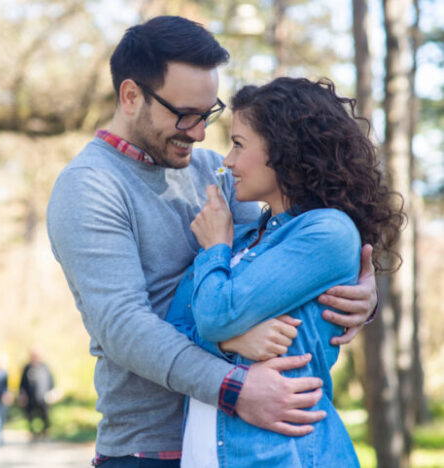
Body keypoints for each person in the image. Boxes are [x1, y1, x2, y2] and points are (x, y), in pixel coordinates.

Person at [46, 16, 378, 467]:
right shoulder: (90, 187)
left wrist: (355, 297)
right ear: (130, 96)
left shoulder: (210, 171)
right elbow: (123, 327)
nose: (200, 133)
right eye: (184, 115)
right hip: (152, 447)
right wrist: (233, 382)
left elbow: (270, 268)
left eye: (208, 114)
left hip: (250, 441)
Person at [165, 77, 404, 467]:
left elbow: (212, 315)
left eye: (239, 145)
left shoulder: (326, 231)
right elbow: (174, 329)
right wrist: (228, 342)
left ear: (283, 149)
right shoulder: (244, 238)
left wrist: (214, 250)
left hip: (283, 455)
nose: (228, 161)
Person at [18, 347, 56, 439]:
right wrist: (22, 394)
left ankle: (45, 432)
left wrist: (53, 392)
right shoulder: (27, 368)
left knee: (45, 416)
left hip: (43, 398)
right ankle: (33, 433)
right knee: (30, 416)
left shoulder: (45, 367)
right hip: (30, 398)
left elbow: (51, 381)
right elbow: (22, 383)